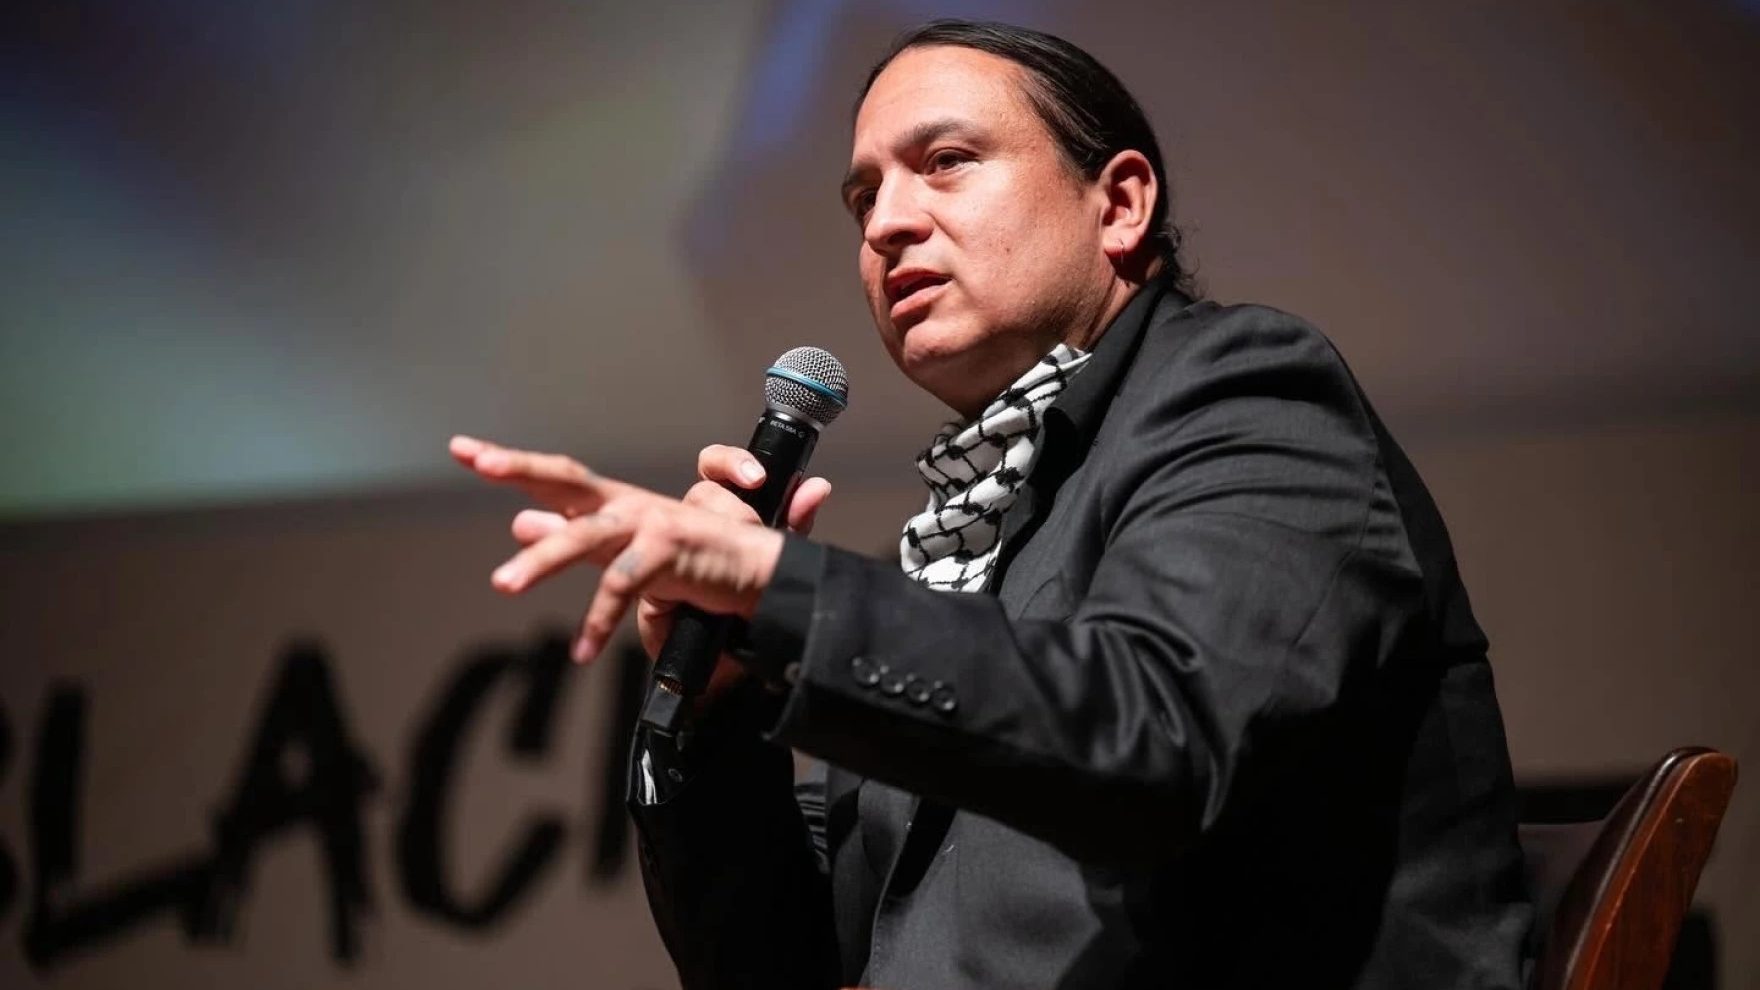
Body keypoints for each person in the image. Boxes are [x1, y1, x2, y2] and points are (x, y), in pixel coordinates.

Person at [451, 19, 1534, 989]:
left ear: (1119, 204)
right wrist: (724, 701)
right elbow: (786, 964)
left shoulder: (1247, 391)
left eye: (946, 162)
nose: (886, 223)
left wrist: (780, 586)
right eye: (863, 197)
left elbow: (1157, 738)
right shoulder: (976, 529)